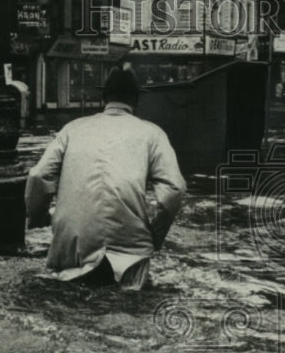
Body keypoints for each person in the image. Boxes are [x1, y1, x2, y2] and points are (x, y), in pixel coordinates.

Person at [25, 68, 186, 289]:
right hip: (130, 249)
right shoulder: (153, 134)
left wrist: (38, 217)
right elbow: (174, 192)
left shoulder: (72, 129)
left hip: (72, 244)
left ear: (103, 98)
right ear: (136, 100)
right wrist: (153, 236)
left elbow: (38, 176)